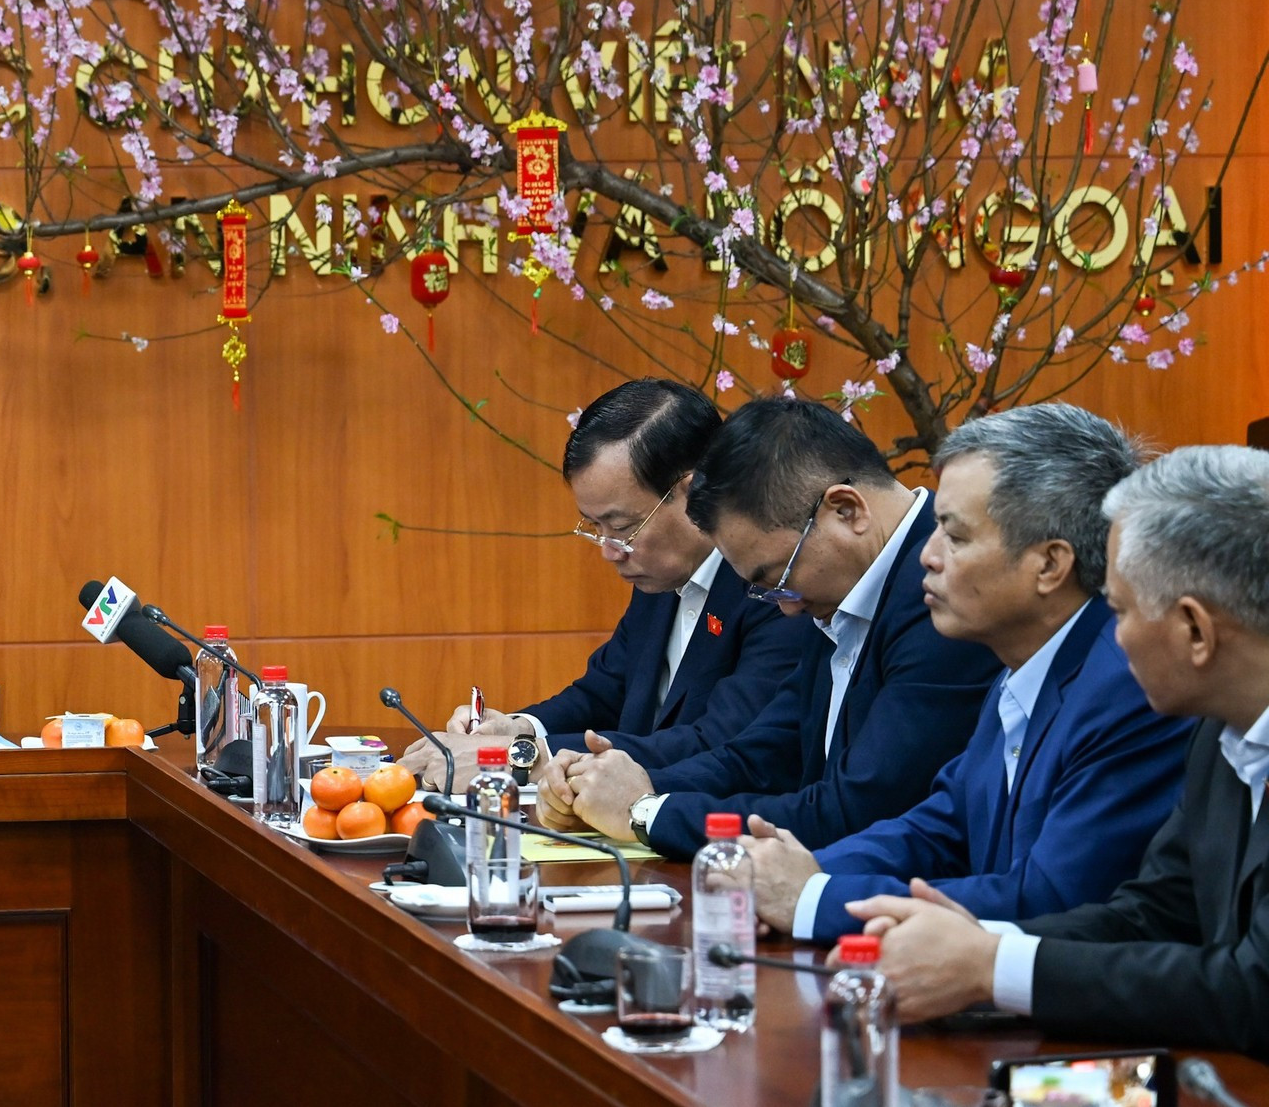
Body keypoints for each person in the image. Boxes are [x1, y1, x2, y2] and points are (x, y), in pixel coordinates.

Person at [843, 446, 1269, 1058]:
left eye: (1119, 611)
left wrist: (993, 967)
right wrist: (976, 946)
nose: (1112, 638)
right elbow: (1154, 914)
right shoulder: (1219, 732)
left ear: (1196, 630)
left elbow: (1253, 991)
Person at [744, 405, 1193, 943]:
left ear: (1050, 564)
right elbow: (945, 825)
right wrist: (801, 870)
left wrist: (814, 899)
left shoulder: (1128, 685)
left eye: (955, 537)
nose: (927, 557)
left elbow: (1052, 900)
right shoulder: (1020, 665)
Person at [556, 397, 1001, 857]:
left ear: (846, 511)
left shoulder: (942, 598)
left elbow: (854, 810)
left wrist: (646, 812)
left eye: (776, 579)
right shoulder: (835, 585)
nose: (783, 608)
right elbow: (766, 754)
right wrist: (620, 787)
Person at [397, 380, 813, 791]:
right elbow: (604, 692)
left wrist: (519, 756)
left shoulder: (771, 589)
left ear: (692, 494)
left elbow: (718, 743)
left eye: (622, 526)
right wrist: (515, 727)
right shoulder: (659, 575)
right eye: (595, 527)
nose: (610, 550)